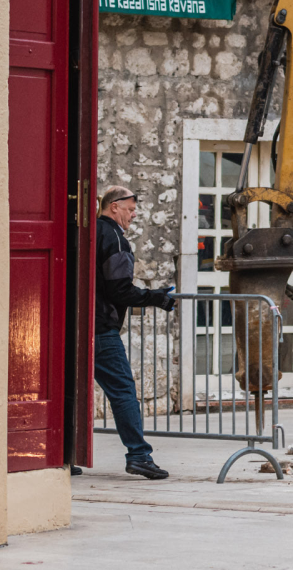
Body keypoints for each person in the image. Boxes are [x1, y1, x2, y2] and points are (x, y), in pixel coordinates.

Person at [94, 186, 176, 480]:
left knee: (71, 393)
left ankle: (66, 457)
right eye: (130, 208)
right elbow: (120, 289)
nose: (134, 213)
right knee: (124, 392)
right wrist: (156, 298)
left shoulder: (88, 231)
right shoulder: (115, 238)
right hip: (101, 329)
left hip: (76, 327)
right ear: (113, 207)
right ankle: (139, 456)